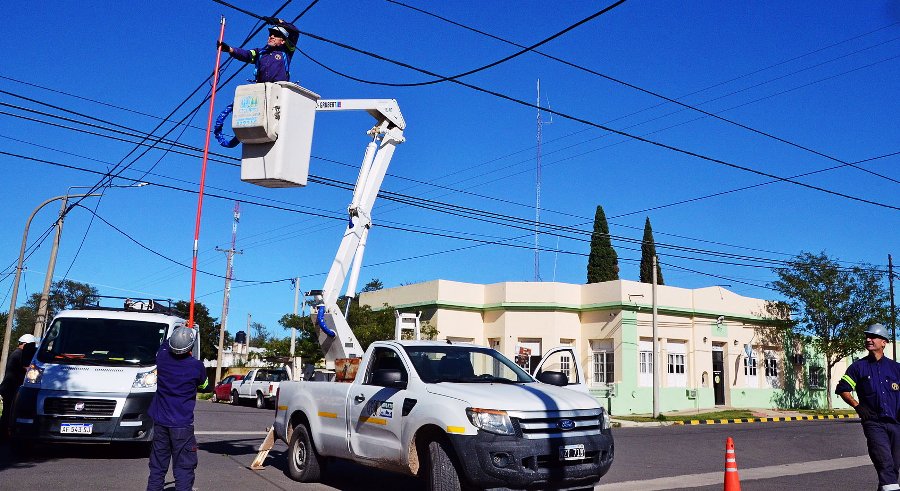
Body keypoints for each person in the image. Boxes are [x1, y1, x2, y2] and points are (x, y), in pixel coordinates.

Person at [836, 323, 900, 491]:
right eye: (867, 337)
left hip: (896, 423)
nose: (868, 339)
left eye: (873, 337)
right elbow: (843, 389)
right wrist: (858, 406)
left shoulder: (896, 368)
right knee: (884, 463)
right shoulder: (858, 367)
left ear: (884, 342)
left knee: (893, 467)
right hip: (874, 423)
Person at [147, 327, 208, 491]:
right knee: (184, 469)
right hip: (182, 425)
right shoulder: (196, 367)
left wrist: (178, 330)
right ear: (191, 346)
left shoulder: (162, 358)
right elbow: (204, 385)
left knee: (157, 468)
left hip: (160, 423)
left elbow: (164, 344)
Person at [218, 18, 300, 83]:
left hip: (279, 91)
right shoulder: (260, 53)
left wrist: (279, 21)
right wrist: (230, 49)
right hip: (262, 90)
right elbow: (246, 54)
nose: (272, 36)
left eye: (276, 35)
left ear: (283, 41)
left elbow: (295, 32)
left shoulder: (287, 51)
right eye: (270, 34)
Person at [0, 334, 37, 441]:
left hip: (10, 387)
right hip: (10, 388)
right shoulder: (19, 354)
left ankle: (5, 434)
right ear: (25, 344)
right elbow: (28, 369)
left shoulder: (17, 353)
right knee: (8, 412)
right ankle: (3, 435)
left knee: (9, 412)